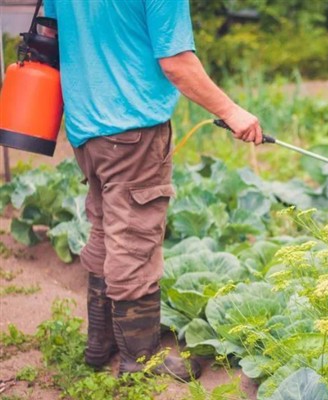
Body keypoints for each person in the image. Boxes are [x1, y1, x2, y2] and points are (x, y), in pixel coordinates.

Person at [43, 0, 263, 380]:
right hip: (132, 130)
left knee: (105, 230)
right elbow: (176, 63)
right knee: (134, 241)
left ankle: (102, 342)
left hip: (84, 128)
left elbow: (53, 35)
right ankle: (139, 360)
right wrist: (232, 112)